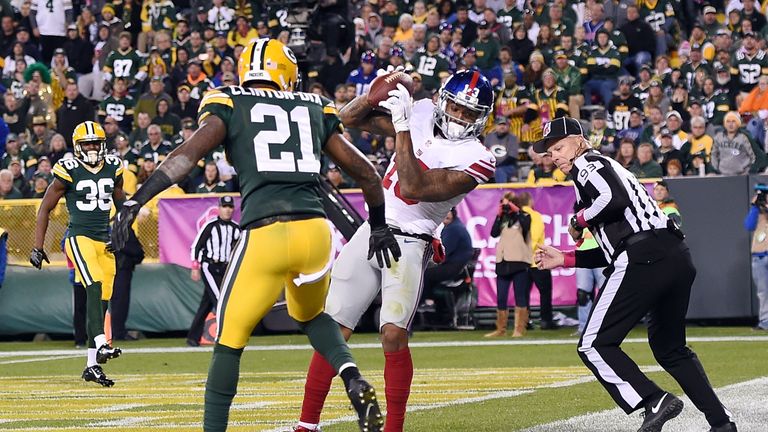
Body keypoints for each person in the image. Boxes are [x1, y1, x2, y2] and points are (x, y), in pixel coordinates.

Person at [110, 38, 398, 432]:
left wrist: (136, 199)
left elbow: (187, 156)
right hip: (316, 234)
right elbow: (366, 172)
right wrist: (378, 225)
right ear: (288, 72)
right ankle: (351, 375)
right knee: (311, 314)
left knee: (229, 338)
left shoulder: (228, 101)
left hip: (266, 231)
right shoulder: (315, 106)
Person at [296, 69, 496, 432]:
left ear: (482, 118)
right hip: (374, 229)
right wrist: (373, 95)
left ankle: (395, 428)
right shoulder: (420, 113)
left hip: (411, 239)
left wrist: (402, 127)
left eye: (470, 113)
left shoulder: (478, 157)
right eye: (456, 107)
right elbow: (346, 120)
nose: (460, 117)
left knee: (392, 333)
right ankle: (306, 425)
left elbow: (413, 185)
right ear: (442, 102)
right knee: (333, 327)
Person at [533, 116, 737, 432]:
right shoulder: (601, 171)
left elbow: (614, 200)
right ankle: (722, 423)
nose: (554, 155)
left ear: (579, 140)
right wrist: (566, 259)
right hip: (671, 255)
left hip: (645, 256)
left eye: (559, 147)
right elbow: (617, 243)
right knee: (671, 349)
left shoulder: (589, 163)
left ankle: (653, 400)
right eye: (550, 151)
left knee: (593, 344)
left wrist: (579, 220)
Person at [30, 121, 125, 387]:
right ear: (77, 147)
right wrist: (38, 247)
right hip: (78, 237)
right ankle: (101, 343)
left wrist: (122, 231)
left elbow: (122, 204)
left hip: (104, 241)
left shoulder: (113, 167)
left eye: (96, 143)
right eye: (88, 144)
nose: (93, 148)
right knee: (93, 285)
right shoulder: (68, 170)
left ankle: (92, 365)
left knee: (103, 298)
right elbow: (44, 209)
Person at [187, 196, 240, 347]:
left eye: (230, 207)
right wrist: (195, 267)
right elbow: (196, 246)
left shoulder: (236, 228)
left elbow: (239, 249)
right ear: (219, 208)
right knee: (220, 299)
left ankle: (192, 337)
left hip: (225, 268)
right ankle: (226, 336)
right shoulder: (210, 226)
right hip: (209, 266)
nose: (227, 210)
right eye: (225, 206)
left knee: (206, 303)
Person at [486, 192, 531, 338]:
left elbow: (526, 225)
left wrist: (516, 210)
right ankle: (501, 329)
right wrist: (499, 215)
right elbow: (493, 234)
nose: (506, 207)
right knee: (501, 297)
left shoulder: (524, 216)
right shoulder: (503, 219)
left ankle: (519, 329)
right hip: (503, 261)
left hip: (519, 260)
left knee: (520, 296)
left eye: (508, 203)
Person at [420, 208, 474, 317]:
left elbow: (444, 253)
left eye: (448, 212)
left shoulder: (453, 229)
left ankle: (427, 302)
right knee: (429, 273)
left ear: (453, 214)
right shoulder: (456, 226)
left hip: (455, 269)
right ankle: (435, 307)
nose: (445, 215)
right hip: (459, 268)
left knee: (425, 274)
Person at [745, 187, 768, 331]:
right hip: (759, 256)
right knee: (763, 291)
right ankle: (765, 321)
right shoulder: (758, 213)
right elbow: (748, 225)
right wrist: (754, 206)